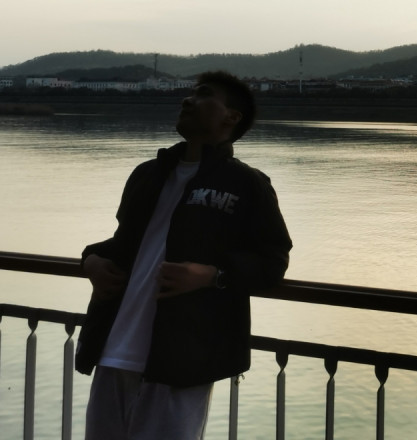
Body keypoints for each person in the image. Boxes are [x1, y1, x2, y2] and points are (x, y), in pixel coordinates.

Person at [75, 70, 292, 440]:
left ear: (231, 117)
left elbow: (273, 261)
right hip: (113, 347)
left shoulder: (247, 183)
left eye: (204, 94)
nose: (188, 100)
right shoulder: (147, 174)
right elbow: (126, 245)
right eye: (191, 93)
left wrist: (213, 275)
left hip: (183, 357)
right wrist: (91, 261)